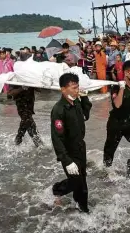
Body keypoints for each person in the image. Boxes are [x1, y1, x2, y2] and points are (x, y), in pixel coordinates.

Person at [51, 73, 92, 213]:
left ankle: (80, 205)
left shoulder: (76, 102)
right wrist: (67, 161)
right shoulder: (59, 110)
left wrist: (85, 96)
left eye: (78, 87)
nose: (77, 90)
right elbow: (57, 138)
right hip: (69, 151)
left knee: (82, 181)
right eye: (73, 88)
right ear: (63, 89)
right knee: (79, 183)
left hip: (81, 147)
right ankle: (57, 190)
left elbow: (86, 114)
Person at [103, 60, 130, 179]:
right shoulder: (116, 86)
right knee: (110, 149)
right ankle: (107, 171)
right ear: (127, 72)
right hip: (115, 123)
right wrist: (122, 88)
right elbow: (117, 105)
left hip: (127, 122)